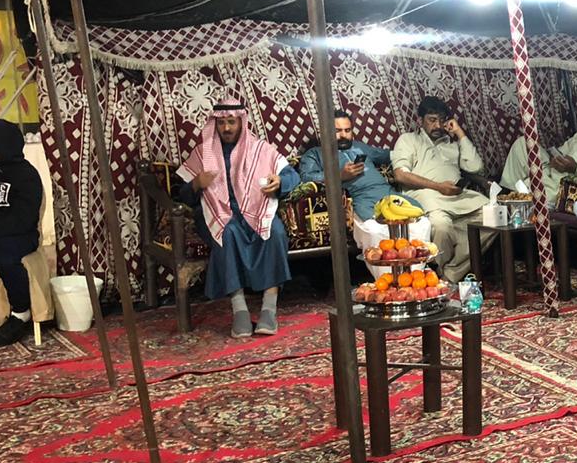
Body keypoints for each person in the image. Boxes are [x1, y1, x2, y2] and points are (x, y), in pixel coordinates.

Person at [177, 102, 299, 338]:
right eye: (221, 123)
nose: (226, 128)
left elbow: (291, 175)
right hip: (217, 214)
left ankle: (269, 309)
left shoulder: (260, 149)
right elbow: (182, 195)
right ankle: (239, 310)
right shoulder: (203, 153)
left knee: (275, 231)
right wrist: (196, 183)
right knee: (227, 233)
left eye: (231, 122)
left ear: (241, 122)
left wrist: (280, 182)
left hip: (256, 210)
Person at [297, 110, 429, 279]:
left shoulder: (360, 147)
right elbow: (306, 178)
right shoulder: (315, 154)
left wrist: (421, 155)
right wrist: (339, 175)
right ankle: (389, 282)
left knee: (422, 223)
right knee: (375, 231)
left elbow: (390, 155)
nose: (343, 135)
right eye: (337, 131)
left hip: (388, 194)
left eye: (347, 130)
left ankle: (415, 277)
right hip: (361, 199)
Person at [390, 96, 489, 282]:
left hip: (457, 196)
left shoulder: (452, 144)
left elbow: (476, 168)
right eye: (432, 120)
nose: (437, 125)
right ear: (420, 120)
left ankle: (451, 272)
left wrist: (459, 133)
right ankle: (440, 277)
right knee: (441, 225)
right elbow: (400, 175)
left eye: (441, 120)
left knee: (493, 215)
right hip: (427, 195)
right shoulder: (409, 140)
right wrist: (438, 187)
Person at [0, 119, 42, 347]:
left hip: (20, 234)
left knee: (2, 255)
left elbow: (22, 220)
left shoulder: (26, 175)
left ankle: (20, 314)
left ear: (2, 146)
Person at [501, 97, 577, 206]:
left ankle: (518, 196)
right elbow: (562, 149)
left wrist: (575, 168)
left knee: (537, 189)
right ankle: (506, 194)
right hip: (553, 170)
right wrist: (555, 158)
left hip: (568, 183)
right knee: (524, 143)